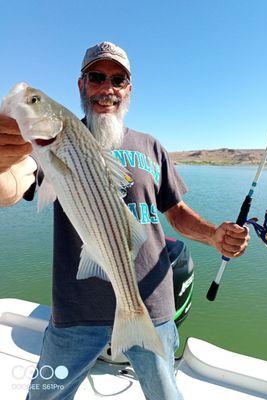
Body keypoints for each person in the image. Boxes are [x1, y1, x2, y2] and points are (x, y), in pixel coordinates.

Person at [0, 42, 250, 400]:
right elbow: (11, 186)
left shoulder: (152, 146)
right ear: (82, 85)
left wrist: (214, 235)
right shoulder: (47, 144)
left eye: (118, 80)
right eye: (97, 77)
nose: (107, 88)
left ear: (128, 90)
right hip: (75, 312)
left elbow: (175, 212)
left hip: (151, 307)